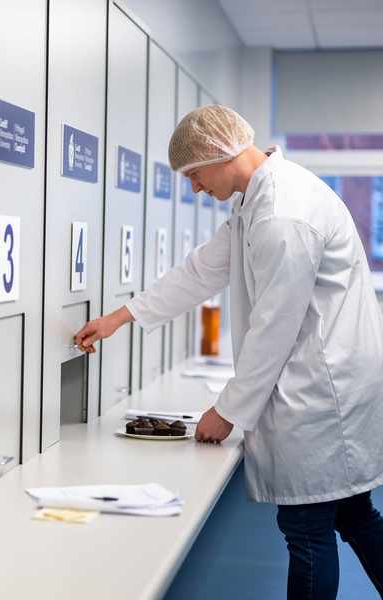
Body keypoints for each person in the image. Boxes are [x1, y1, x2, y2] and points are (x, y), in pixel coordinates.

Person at [74, 105, 383, 599]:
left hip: (325, 393)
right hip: (323, 385)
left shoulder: (284, 213)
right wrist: (121, 317)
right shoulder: (255, 201)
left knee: (307, 532)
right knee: (351, 515)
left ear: (221, 155)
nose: (195, 188)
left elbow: (274, 327)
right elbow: (201, 271)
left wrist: (228, 410)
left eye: (195, 175)